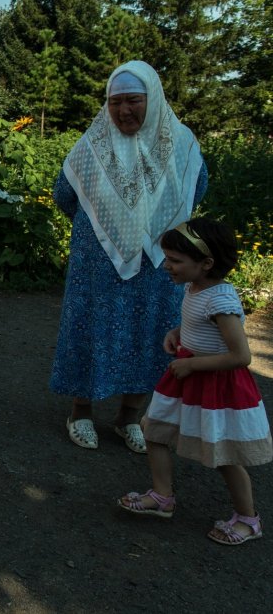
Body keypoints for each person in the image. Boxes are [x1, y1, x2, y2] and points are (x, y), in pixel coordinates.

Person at [50, 60, 208, 452]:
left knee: (153, 332)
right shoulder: (92, 143)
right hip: (97, 260)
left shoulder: (182, 142)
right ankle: (81, 411)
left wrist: (151, 227)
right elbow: (64, 194)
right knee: (91, 326)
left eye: (133, 101)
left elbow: (197, 188)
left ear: (151, 99)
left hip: (159, 261)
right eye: (115, 102)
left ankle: (128, 417)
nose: (123, 111)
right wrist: (106, 226)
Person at [118, 218, 272, 545]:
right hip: (186, 374)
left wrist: (195, 365)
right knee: (154, 431)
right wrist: (177, 334)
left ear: (206, 264)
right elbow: (197, 324)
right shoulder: (195, 287)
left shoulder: (221, 301)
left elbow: (241, 356)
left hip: (216, 385)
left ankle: (248, 519)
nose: (167, 266)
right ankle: (162, 497)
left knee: (224, 453)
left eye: (175, 261)